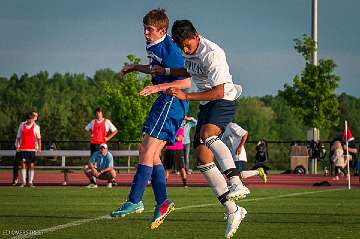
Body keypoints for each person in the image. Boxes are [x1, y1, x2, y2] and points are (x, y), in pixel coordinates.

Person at [151, 19, 249, 238]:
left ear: (196, 36)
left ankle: (236, 182)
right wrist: (165, 69)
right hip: (207, 103)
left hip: (223, 99)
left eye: (188, 45)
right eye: (182, 47)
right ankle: (234, 210)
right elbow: (186, 70)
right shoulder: (188, 51)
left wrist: (186, 95)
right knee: (203, 159)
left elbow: (218, 91)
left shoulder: (212, 53)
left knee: (207, 135)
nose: (185, 49)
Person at [110, 9, 191, 230]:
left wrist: (158, 86)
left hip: (171, 101)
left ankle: (134, 201)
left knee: (146, 151)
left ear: (162, 30)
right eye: (144, 28)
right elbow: (157, 69)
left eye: (150, 29)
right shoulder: (154, 45)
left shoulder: (169, 48)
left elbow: (186, 82)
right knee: (150, 153)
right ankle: (162, 202)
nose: (146, 33)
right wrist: (136, 67)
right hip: (165, 101)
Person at [15, 112, 41, 187]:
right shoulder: (22, 125)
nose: (30, 120)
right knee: (23, 165)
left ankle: (30, 182)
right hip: (23, 149)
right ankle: (23, 182)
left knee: (31, 165)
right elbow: (18, 137)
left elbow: (39, 138)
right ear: (27, 119)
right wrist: (17, 146)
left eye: (31, 119)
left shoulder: (36, 127)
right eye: (29, 119)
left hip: (32, 149)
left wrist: (39, 148)